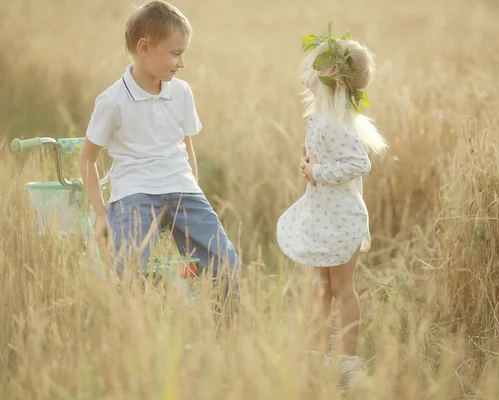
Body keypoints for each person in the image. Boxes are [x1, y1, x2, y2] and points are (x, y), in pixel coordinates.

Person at [78, 0, 240, 298]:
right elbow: (87, 159)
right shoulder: (112, 101)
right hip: (134, 193)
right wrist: (101, 213)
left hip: (182, 190)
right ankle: (132, 333)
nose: (182, 63)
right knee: (127, 274)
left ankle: (228, 335)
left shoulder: (181, 92)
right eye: (176, 54)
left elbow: (186, 145)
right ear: (144, 48)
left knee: (227, 263)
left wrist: (194, 191)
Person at [276, 23, 388, 380]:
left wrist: (319, 171)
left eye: (317, 65)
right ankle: (318, 353)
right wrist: (309, 167)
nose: (308, 70)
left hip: (342, 219)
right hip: (322, 214)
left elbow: (359, 163)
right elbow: (320, 163)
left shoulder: (336, 124)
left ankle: (349, 361)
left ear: (333, 75)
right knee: (319, 287)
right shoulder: (320, 119)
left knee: (341, 288)